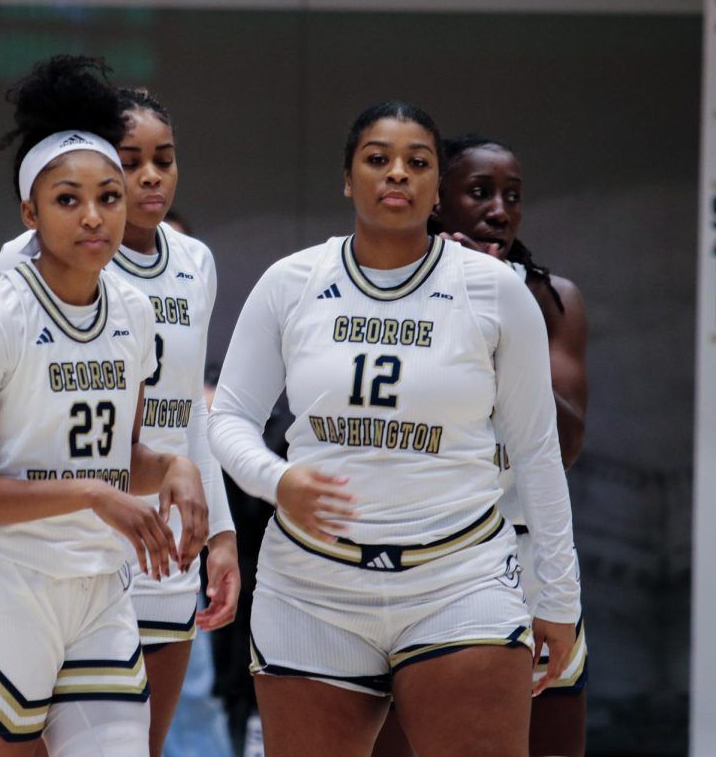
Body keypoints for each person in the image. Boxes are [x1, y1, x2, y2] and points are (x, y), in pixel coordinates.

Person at [208, 101, 581, 757]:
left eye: (418, 162)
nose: (397, 174)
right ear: (347, 180)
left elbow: (536, 452)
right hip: (312, 587)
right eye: (377, 160)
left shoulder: (494, 292)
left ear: (436, 188)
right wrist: (279, 480)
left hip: (460, 581)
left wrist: (560, 597)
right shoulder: (291, 283)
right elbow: (230, 418)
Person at [0, 84, 238, 757]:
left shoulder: (134, 312)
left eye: (107, 198)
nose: (93, 217)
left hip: (99, 592)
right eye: (68, 200)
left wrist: (176, 466)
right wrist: (90, 493)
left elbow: (120, 456)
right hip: (2, 590)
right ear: (29, 211)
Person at [435, 135, 589, 756]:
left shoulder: (552, 299)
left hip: (526, 556)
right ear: (437, 203)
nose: (500, 210)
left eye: (513, 197)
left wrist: (506, 309)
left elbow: (569, 440)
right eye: (479, 193)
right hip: (431, 556)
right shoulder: (398, 292)